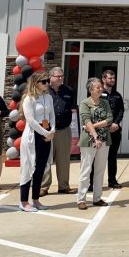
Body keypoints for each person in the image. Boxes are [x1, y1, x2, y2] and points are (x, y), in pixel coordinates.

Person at [19, 71, 55, 213]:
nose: (47, 84)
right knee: (28, 167)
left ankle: (35, 199)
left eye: (47, 81)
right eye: (44, 81)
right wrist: (45, 133)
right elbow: (30, 120)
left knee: (41, 168)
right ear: (35, 83)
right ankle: (23, 201)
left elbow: (52, 116)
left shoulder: (48, 97)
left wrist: (52, 130)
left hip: (47, 134)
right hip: (33, 135)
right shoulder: (29, 99)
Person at [40, 67, 78, 196]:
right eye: (57, 76)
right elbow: (41, 112)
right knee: (46, 159)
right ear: (50, 77)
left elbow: (72, 109)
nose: (60, 78)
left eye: (62, 76)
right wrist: (46, 129)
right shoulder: (43, 90)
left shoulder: (68, 91)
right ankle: (44, 187)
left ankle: (64, 186)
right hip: (47, 130)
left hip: (64, 130)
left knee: (64, 160)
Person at [77, 77, 113, 210]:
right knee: (86, 170)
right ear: (90, 89)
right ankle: (81, 199)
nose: (101, 89)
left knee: (100, 170)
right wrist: (95, 136)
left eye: (101, 87)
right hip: (89, 140)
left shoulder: (105, 103)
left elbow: (109, 119)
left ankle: (97, 198)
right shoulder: (84, 103)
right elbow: (86, 120)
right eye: (98, 87)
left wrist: (94, 126)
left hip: (104, 140)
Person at [101, 69, 124, 190]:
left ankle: (112, 180)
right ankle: (93, 182)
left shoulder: (117, 95)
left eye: (113, 78)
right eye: (110, 78)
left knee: (112, 156)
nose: (112, 80)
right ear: (103, 79)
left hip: (115, 130)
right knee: (98, 157)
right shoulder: (98, 93)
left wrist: (116, 123)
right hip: (102, 130)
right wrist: (106, 125)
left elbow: (121, 110)